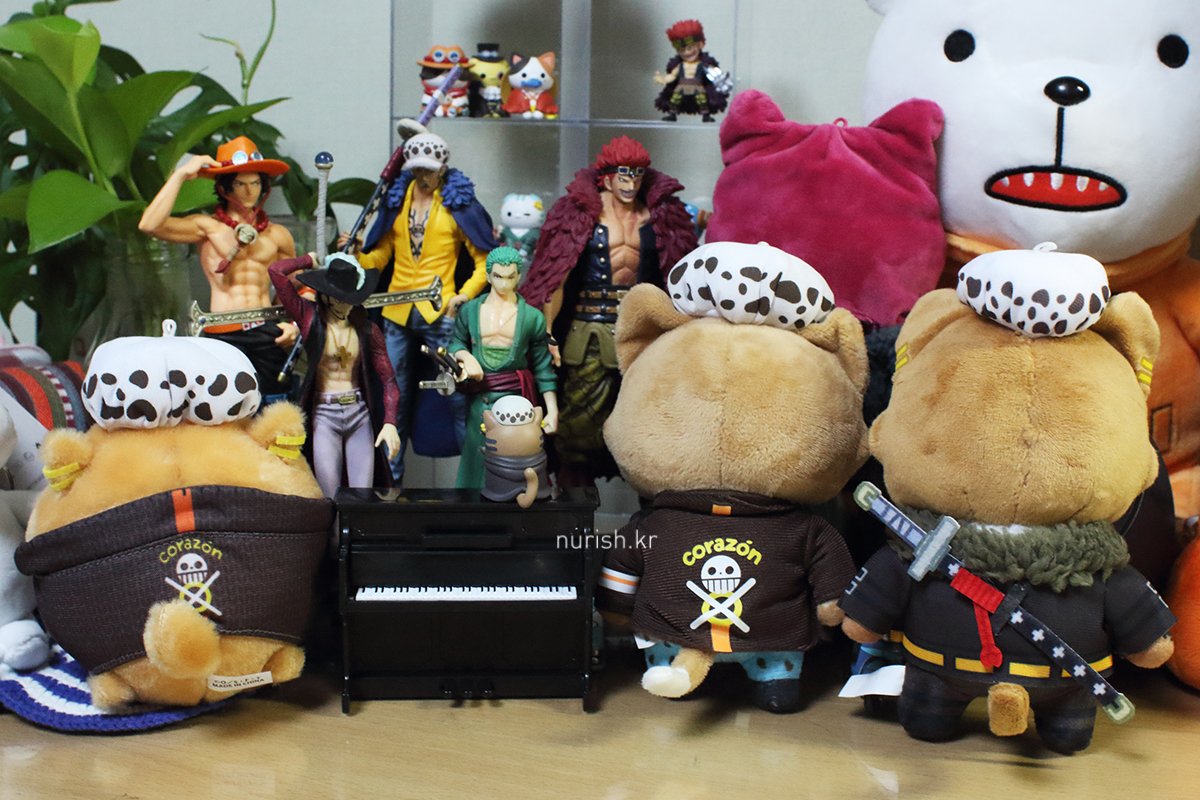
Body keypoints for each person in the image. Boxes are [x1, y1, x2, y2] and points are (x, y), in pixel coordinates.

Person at [519, 136, 698, 485]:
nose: (631, 183)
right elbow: (556, 275)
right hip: (588, 327)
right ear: (607, 177)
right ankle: (574, 497)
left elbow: (678, 271)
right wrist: (548, 332)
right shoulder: (579, 213)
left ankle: (649, 500)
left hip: (644, 328)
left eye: (638, 175)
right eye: (624, 175)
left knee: (649, 414)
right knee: (579, 419)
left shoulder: (660, 215)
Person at [346, 132, 500, 483]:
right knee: (393, 398)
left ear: (443, 168)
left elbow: (484, 259)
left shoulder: (458, 205)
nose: (422, 176)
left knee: (458, 395)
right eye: (416, 170)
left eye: (428, 170)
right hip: (396, 310)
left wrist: (465, 294)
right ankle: (390, 484)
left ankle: (473, 481)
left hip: (440, 311)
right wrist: (358, 254)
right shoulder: (398, 202)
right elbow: (381, 257)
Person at [138, 136, 298, 400]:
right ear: (225, 187)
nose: (249, 191)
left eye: (255, 183)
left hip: (267, 330)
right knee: (224, 405)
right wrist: (180, 175)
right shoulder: (207, 228)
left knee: (275, 403)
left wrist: (293, 325)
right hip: (224, 332)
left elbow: (297, 286)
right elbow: (149, 225)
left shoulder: (277, 235)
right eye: (240, 183)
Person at [268, 252, 401, 499]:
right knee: (327, 495)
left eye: (349, 300)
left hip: (358, 414)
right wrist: (308, 260)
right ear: (326, 295)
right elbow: (276, 271)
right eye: (339, 299)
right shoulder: (310, 319)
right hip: (324, 415)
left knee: (363, 495)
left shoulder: (367, 330)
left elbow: (389, 380)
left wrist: (390, 422)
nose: (344, 306)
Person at [449, 247, 557, 489]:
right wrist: (465, 356)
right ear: (488, 275)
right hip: (480, 398)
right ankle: (470, 508)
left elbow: (543, 367)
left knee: (513, 465)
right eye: (498, 276)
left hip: (516, 402)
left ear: (518, 276)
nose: (504, 283)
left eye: (510, 277)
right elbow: (455, 342)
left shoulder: (532, 317)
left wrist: (552, 410)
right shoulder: (470, 311)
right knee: (475, 462)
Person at [654, 20, 730, 122]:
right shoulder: (680, 65)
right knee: (675, 99)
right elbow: (672, 75)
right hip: (682, 86)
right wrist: (664, 79)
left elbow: (714, 75)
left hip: (697, 86)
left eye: (690, 48)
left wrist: (722, 83)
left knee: (702, 100)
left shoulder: (704, 65)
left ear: (700, 45)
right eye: (682, 50)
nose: (687, 52)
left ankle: (706, 115)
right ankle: (672, 114)